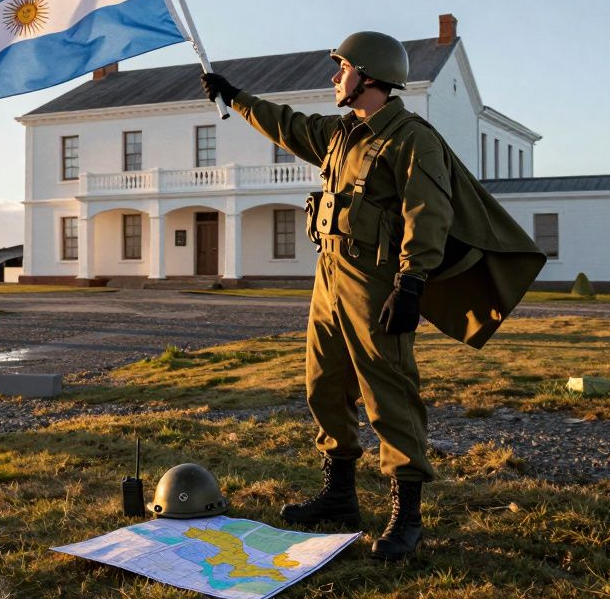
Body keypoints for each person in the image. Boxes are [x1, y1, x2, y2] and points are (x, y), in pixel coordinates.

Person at [200, 31, 544, 561]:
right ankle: (340, 498)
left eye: (342, 69)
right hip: (329, 278)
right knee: (324, 386)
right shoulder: (341, 136)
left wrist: (411, 284)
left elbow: (427, 216)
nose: (335, 78)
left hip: (378, 285)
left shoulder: (412, 139)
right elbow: (289, 126)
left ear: (370, 77)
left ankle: (407, 517)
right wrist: (236, 96)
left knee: (390, 395)